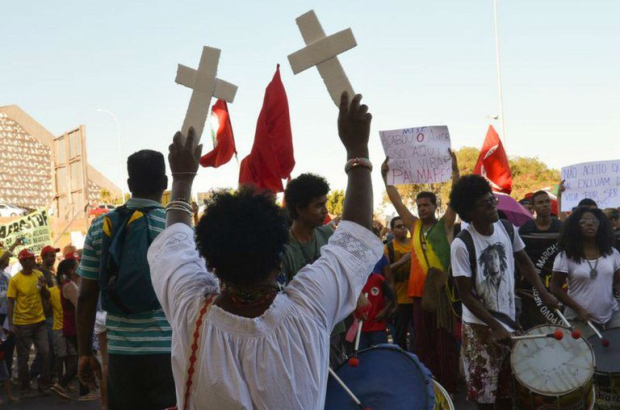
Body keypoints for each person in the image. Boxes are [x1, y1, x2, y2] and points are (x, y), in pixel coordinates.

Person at [147, 92, 380, 409]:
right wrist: (357, 151)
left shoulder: (189, 307)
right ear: (279, 255)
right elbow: (355, 237)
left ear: (210, 263)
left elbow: (175, 240)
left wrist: (182, 179)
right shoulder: (309, 307)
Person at [449, 175, 558, 409]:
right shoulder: (461, 244)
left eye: (492, 200)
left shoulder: (506, 228)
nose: (492, 206)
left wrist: (544, 292)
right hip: (480, 330)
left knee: (508, 395)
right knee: (486, 400)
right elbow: (466, 295)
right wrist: (494, 326)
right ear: (469, 213)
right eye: (484, 204)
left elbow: (525, 261)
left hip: (508, 323)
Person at [77, 150, 175, 410]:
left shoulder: (100, 226)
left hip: (121, 355)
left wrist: (85, 352)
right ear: (165, 183)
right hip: (168, 353)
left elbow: (86, 295)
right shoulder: (175, 227)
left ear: (130, 185)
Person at [381, 152, 460, 394]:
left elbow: (455, 198)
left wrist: (455, 171)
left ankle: (449, 386)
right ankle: (431, 385)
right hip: (417, 295)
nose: (422, 208)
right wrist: (386, 177)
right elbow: (396, 202)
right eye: (419, 205)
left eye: (426, 205)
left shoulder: (445, 225)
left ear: (436, 207)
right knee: (423, 344)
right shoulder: (413, 225)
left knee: (444, 342)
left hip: (441, 295)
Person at [280, 172, 349, 367]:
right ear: (299, 208)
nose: (325, 211)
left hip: (333, 329)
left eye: (324, 204)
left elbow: (342, 271)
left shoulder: (328, 234)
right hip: (302, 337)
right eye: (318, 205)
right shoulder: (283, 249)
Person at [550, 207, 620, 339]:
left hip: (612, 315)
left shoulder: (612, 253)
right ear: (575, 228)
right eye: (583, 222)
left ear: (601, 226)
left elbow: (618, 281)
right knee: (586, 357)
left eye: (594, 221)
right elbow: (555, 287)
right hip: (580, 318)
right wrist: (578, 310)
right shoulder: (565, 256)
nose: (589, 224)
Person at [7, 248, 51, 398]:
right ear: (23, 261)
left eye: (33, 258)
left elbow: (47, 296)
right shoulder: (15, 280)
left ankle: (43, 384)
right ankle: (25, 388)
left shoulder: (39, 275)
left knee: (45, 352)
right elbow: (10, 302)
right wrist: (12, 324)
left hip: (39, 322)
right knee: (23, 357)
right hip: (22, 324)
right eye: (31, 259)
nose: (34, 261)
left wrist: (44, 286)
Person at [384, 216, 413, 349]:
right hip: (399, 300)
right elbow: (384, 271)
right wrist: (402, 261)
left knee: (417, 336)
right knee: (400, 336)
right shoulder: (388, 248)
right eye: (398, 226)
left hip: (417, 298)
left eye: (404, 226)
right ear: (392, 230)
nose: (403, 228)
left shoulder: (415, 243)